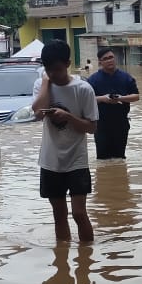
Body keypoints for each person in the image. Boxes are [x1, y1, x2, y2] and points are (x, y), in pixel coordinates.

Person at [32, 42, 99, 243]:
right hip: (50, 161)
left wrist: (68, 117)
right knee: (59, 215)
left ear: (68, 64)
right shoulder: (41, 85)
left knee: (79, 213)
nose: (53, 74)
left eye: (58, 70)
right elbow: (36, 114)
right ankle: (62, 264)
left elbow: (92, 128)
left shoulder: (83, 88)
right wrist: (45, 84)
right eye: (48, 70)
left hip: (77, 160)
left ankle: (86, 260)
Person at [86, 47, 140, 160]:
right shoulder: (93, 80)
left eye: (111, 57)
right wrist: (103, 99)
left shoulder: (126, 77)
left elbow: (136, 96)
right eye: (105, 59)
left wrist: (121, 98)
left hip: (121, 123)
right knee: (102, 159)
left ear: (115, 58)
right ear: (100, 62)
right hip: (101, 124)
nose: (109, 60)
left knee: (120, 158)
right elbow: (86, 99)